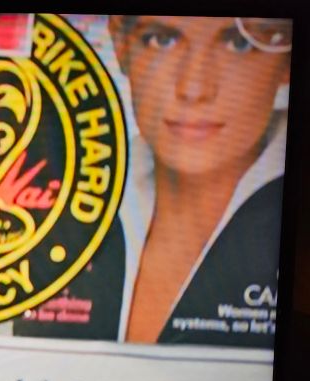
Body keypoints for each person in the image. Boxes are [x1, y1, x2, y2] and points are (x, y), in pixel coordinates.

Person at [15, 15, 290, 348]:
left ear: (286, 60)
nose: (193, 88)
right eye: (161, 39)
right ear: (121, 44)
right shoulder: (57, 200)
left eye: (239, 43)